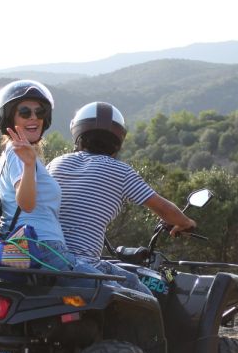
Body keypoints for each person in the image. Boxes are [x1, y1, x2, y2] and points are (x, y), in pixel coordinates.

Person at [48, 102, 196, 293]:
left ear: (78, 134)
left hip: (46, 258)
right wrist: (186, 222)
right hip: (83, 264)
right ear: (118, 140)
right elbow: (164, 209)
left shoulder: (57, 163)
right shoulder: (120, 171)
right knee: (142, 292)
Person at [0, 80, 102, 283]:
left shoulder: (16, 154)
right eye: (24, 112)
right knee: (125, 288)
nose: (34, 117)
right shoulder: (18, 154)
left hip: (34, 248)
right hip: (43, 248)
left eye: (39, 112)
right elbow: (26, 203)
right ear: (9, 119)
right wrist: (28, 164)